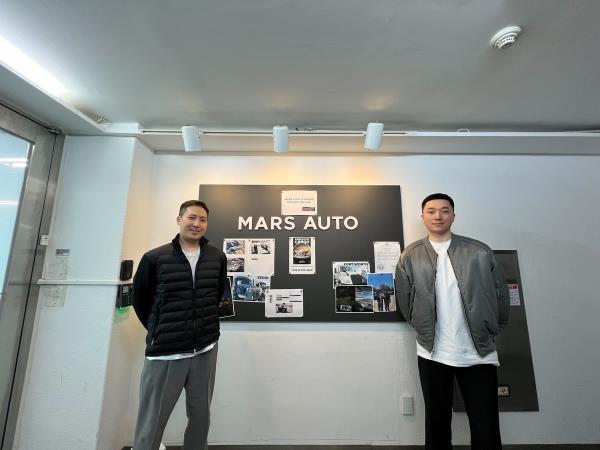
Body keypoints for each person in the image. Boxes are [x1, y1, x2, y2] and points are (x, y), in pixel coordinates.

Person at [395, 193, 509, 450]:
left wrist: (491, 329)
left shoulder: (479, 251)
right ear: (422, 216)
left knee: (486, 423)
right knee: (436, 422)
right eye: (431, 210)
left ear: (453, 216)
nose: (438, 216)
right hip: (432, 351)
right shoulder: (410, 256)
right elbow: (404, 298)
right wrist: (421, 326)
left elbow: (501, 294)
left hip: (478, 350)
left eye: (444, 210)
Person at [132, 200, 227, 450]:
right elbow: (141, 300)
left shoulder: (217, 256)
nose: (197, 224)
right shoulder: (155, 257)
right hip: (166, 351)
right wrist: (162, 329)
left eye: (202, 219)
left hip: (205, 349)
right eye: (191, 218)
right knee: (152, 421)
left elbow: (215, 295)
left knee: (200, 417)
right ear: (179, 219)